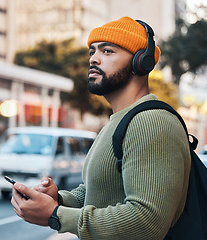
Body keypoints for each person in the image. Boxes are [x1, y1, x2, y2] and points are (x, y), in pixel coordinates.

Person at [10, 16, 191, 240]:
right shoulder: (118, 121)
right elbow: (100, 190)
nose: (94, 59)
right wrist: (59, 200)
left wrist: (56, 215)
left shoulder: (151, 122)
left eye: (107, 51)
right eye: (92, 51)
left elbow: (147, 223)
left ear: (140, 62)